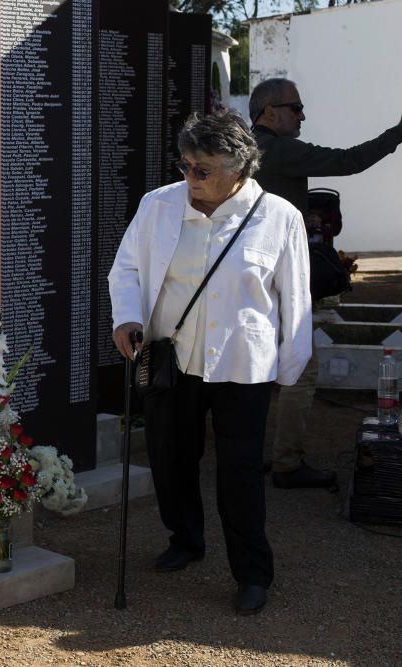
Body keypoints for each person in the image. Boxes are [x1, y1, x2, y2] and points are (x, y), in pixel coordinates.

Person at [109, 111, 311, 615]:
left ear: (239, 169)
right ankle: (186, 538)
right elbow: (127, 267)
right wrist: (127, 319)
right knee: (170, 459)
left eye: (203, 169)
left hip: (243, 366)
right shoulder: (158, 205)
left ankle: (252, 573)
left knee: (239, 473)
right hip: (170, 358)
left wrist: (289, 370)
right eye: (186, 165)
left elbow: (296, 300)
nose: (190, 178)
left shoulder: (279, 216)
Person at [250, 78, 402, 489]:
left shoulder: (246, 150)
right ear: (268, 112)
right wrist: (398, 132)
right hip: (279, 280)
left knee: (257, 373)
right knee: (302, 369)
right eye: (295, 107)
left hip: (250, 279)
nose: (302, 115)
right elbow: (349, 160)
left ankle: (250, 456)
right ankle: (286, 463)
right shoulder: (279, 150)